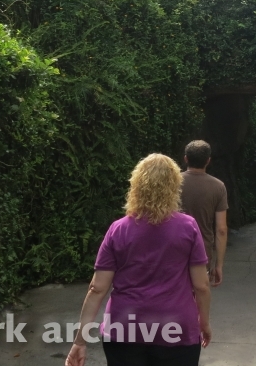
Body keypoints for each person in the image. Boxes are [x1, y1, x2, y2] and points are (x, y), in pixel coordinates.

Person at [65, 154, 211, 366]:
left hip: (124, 329)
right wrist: (203, 322)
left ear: (136, 185)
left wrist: (80, 340)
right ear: (174, 186)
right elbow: (202, 285)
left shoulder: (119, 229)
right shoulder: (188, 227)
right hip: (177, 329)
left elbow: (97, 288)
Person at [180, 140, 228, 287]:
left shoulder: (172, 183)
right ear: (208, 161)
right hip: (202, 250)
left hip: (173, 247)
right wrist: (219, 264)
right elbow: (221, 229)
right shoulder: (218, 187)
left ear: (186, 158)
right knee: (197, 294)